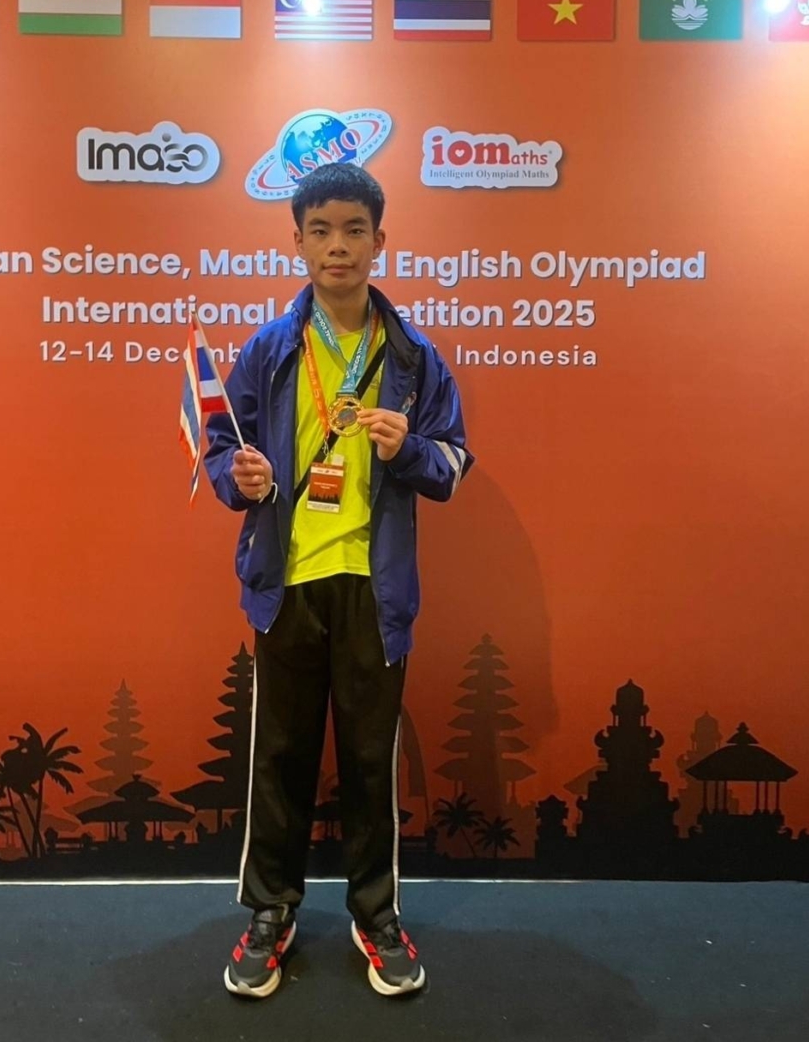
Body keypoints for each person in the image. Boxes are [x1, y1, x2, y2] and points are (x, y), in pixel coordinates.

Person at [205, 163, 473, 998]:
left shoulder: (414, 355)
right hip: (286, 583)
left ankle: (376, 914)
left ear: (379, 241)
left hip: (374, 589)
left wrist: (408, 449)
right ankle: (270, 912)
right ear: (297, 242)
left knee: (367, 761)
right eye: (320, 231)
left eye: (354, 230)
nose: (338, 246)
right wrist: (237, 477)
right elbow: (222, 445)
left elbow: (453, 463)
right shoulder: (269, 349)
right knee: (279, 756)